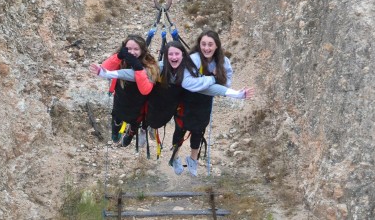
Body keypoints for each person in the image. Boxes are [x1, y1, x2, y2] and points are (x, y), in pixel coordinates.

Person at [90, 40, 250, 152]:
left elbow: (209, 89)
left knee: (156, 121)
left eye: (177, 54)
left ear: (183, 56)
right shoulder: (158, 68)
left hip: (167, 110)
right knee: (140, 113)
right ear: (166, 57)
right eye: (170, 54)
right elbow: (132, 74)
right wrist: (106, 73)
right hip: (153, 103)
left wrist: (236, 94)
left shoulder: (188, 75)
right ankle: (138, 128)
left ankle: (145, 128)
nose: (173, 58)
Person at [171, 30, 255, 177]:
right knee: (180, 128)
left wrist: (219, 82)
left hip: (204, 101)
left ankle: (193, 159)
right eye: (203, 44)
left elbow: (227, 79)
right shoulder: (194, 58)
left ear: (216, 46)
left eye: (210, 44)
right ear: (199, 45)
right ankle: (175, 157)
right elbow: (187, 82)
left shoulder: (223, 61)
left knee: (199, 129)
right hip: (187, 99)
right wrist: (212, 79)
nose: (206, 48)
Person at [94, 34, 160, 147]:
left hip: (139, 100)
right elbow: (104, 70)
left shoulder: (150, 64)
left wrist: (137, 67)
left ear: (142, 50)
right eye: (128, 49)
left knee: (135, 120)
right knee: (118, 114)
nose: (132, 52)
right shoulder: (121, 59)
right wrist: (118, 56)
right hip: (121, 96)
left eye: (136, 49)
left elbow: (145, 90)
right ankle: (117, 124)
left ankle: (131, 132)